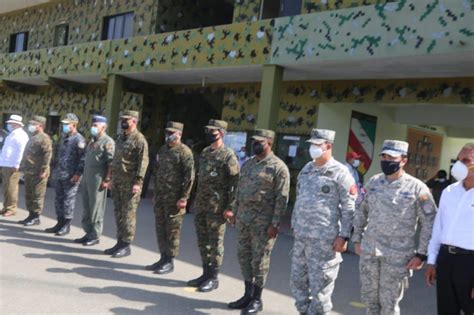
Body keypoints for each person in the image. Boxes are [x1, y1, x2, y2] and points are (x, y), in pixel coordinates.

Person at [352, 140, 437, 315]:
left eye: (392, 157)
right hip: (370, 252)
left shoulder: (417, 188)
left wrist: (421, 254)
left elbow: (429, 223)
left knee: (389, 305)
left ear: (403, 160)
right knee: (370, 302)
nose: (386, 160)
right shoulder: (373, 182)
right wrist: (357, 238)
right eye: (384, 156)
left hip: (397, 257)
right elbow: (361, 210)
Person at [291, 129, 357, 315]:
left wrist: (344, 236)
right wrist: (296, 224)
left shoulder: (340, 173)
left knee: (320, 290)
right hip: (302, 238)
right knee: (298, 284)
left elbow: (349, 207)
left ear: (328, 146)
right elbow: (299, 198)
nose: (313, 148)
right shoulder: (307, 169)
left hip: (325, 241)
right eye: (312, 144)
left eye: (317, 145)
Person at [224, 129, 290, 314]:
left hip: (263, 223)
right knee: (244, 256)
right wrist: (235, 212)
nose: (255, 144)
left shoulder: (278, 167)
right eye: (254, 141)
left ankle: (257, 299)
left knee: (259, 261)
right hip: (244, 219)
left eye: (259, 142)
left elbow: (281, 199)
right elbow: (239, 190)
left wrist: (275, 224)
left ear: (269, 142)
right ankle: (247, 294)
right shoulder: (249, 164)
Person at [188, 120, 240, 292]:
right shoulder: (205, 152)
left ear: (222, 133)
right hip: (202, 205)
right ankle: (205, 272)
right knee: (203, 241)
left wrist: (231, 206)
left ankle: (214, 277)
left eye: (213, 131)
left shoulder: (228, 155)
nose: (209, 134)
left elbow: (236, 182)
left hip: (217, 208)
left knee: (215, 242)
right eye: (208, 130)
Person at [425, 143, 474, 315]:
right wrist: (432, 260)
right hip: (446, 260)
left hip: (470, 263)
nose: (460, 164)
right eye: (459, 160)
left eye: (466, 160)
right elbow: (439, 228)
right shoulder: (449, 191)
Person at [145, 121, 194, 274]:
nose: (169, 135)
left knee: (172, 231)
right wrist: (156, 194)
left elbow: (189, 177)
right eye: (167, 132)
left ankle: (170, 261)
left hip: (175, 199)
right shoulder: (163, 149)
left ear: (179, 134)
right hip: (161, 197)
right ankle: (162, 257)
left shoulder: (185, 152)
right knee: (161, 228)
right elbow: (157, 172)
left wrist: (184, 198)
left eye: (172, 133)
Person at [106, 110, 149, 258]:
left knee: (128, 215)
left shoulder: (139, 139)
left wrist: (138, 182)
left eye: (126, 119)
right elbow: (115, 159)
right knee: (118, 213)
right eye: (122, 119)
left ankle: (126, 245)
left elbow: (143, 163)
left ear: (134, 121)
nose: (123, 122)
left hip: (130, 183)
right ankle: (119, 241)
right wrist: (110, 178)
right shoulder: (120, 138)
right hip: (118, 182)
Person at [74, 115, 115, 246]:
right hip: (87, 178)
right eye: (93, 125)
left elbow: (111, 163)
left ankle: (95, 235)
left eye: (96, 126)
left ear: (104, 127)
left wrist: (107, 179)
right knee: (87, 206)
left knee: (96, 208)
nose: (93, 128)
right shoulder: (92, 141)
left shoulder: (107, 142)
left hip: (98, 179)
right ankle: (88, 232)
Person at [45, 113, 86, 236]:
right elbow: (58, 155)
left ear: (73, 125)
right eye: (64, 124)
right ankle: (59, 222)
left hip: (71, 176)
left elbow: (83, 158)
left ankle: (66, 225)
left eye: (67, 124)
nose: (64, 126)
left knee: (68, 201)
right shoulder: (63, 137)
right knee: (59, 200)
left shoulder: (79, 139)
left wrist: (78, 174)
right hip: (60, 174)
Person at [18, 116, 53, 226]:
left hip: (39, 172)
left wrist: (43, 170)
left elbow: (47, 155)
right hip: (29, 171)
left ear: (40, 125)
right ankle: (30, 215)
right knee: (29, 194)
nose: (31, 126)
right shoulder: (33, 137)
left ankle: (36, 217)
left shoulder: (44, 138)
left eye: (34, 124)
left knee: (37, 195)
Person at [0, 114, 29, 217]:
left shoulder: (21, 135)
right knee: (6, 187)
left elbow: (21, 151)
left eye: (11, 123)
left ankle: (11, 208)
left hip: (12, 165)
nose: (9, 124)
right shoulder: (11, 134)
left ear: (16, 124)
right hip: (5, 163)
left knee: (12, 187)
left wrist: (17, 164)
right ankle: (6, 206)